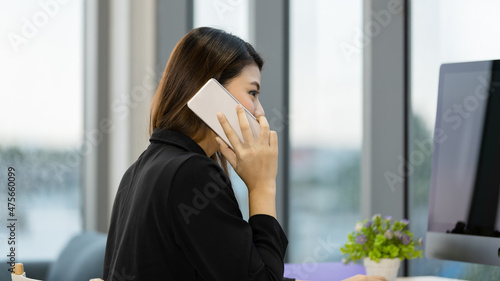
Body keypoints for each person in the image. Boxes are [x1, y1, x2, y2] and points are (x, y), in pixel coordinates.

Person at [103, 27, 386, 281]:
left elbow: (232, 270)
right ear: (209, 92)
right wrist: (262, 187)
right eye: (253, 93)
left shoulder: (140, 170)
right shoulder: (191, 174)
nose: (260, 111)